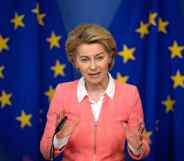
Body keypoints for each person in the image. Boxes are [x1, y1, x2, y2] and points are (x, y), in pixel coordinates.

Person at [40, 24, 150, 161]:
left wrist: (136, 146)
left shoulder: (130, 94)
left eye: (99, 57)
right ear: (75, 62)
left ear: (110, 57)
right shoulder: (63, 92)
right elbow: (46, 153)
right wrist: (59, 139)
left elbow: (143, 147)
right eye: (84, 59)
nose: (93, 67)